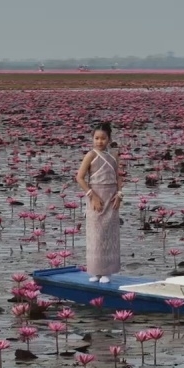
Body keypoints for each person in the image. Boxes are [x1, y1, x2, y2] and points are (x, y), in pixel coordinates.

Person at [76, 121, 122, 283]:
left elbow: (118, 177)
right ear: (92, 139)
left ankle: (107, 272)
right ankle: (96, 271)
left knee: (110, 234)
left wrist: (119, 195)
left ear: (109, 139)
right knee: (96, 234)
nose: (99, 142)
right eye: (96, 138)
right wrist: (92, 196)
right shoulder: (91, 155)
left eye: (103, 138)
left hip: (112, 197)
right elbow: (80, 178)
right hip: (96, 197)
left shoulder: (113, 155)